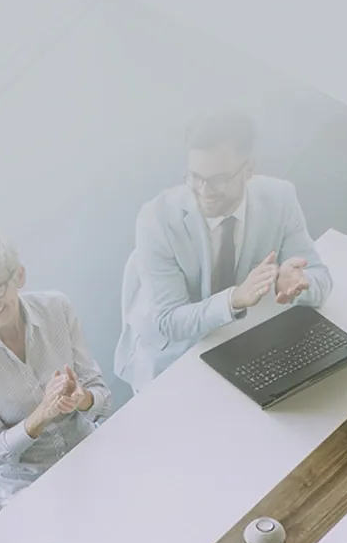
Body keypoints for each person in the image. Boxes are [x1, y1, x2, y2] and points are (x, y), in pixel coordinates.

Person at [113, 112, 333, 391]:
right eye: (195, 177)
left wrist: (298, 285)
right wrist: (234, 299)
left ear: (249, 168)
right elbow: (169, 321)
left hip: (239, 340)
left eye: (219, 180)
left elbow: (321, 280)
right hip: (172, 353)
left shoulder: (280, 199)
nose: (205, 192)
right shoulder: (156, 219)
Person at [0, 234, 111, 509]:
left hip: (85, 452)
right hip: (27, 486)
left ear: (19, 276)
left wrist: (82, 399)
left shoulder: (57, 309)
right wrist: (42, 414)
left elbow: (102, 398)